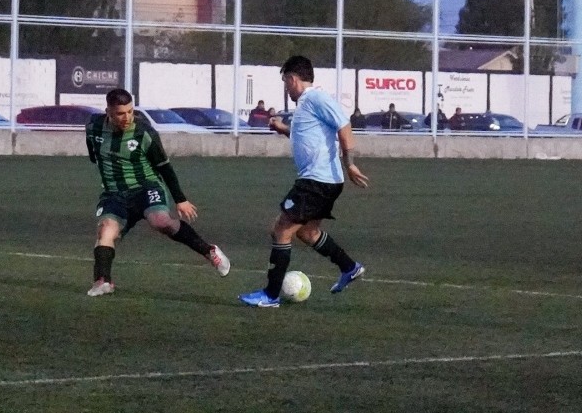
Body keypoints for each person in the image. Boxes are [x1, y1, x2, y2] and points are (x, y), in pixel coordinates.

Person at [239, 55, 370, 308]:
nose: (286, 88)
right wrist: (283, 129)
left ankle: (271, 294)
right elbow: (310, 135)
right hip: (320, 180)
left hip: (316, 181)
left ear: (292, 78)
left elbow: (344, 125)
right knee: (307, 232)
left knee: (281, 230)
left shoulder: (316, 98)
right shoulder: (306, 106)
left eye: (286, 82)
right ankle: (349, 267)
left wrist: (350, 163)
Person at [84, 88, 231, 297]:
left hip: (146, 188)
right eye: (120, 113)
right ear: (108, 111)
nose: (127, 118)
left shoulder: (144, 132)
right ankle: (103, 281)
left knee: (160, 221)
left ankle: (209, 251)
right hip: (114, 194)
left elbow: (164, 167)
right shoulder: (93, 127)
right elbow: (93, 155)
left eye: (130, 111)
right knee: (106, 231)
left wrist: (181, 200)